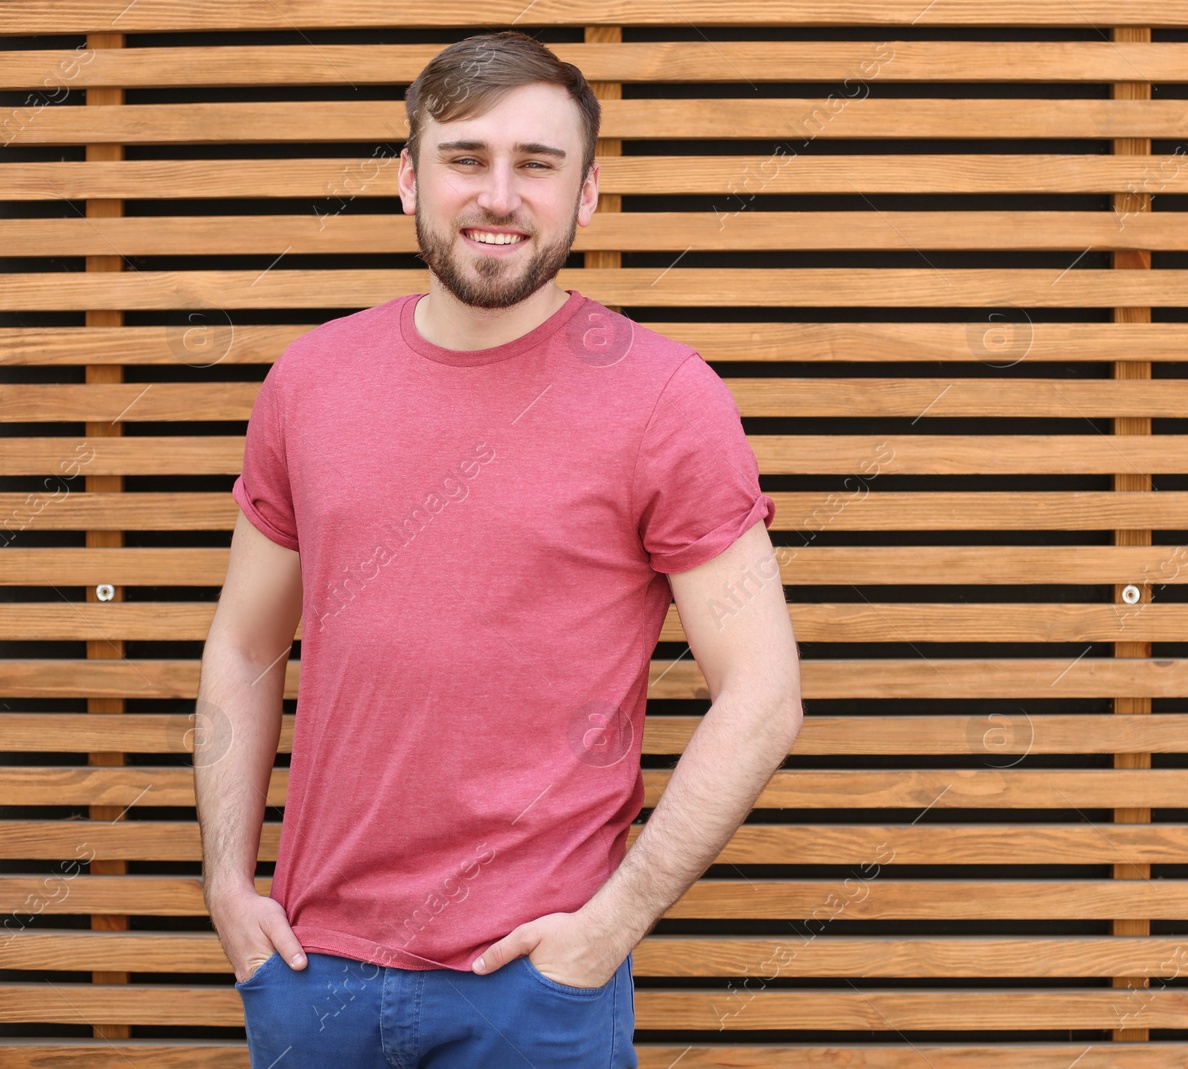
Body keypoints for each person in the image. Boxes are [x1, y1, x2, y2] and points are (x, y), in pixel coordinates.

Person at [194, 29, 804, 1068]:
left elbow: (763, 694)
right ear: (407, 178)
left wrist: (607, 930)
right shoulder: (309, 382)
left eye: (537, 164)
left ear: (588, 194)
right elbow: (243, 646)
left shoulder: (662, 397)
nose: (498, 195)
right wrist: (225, 887)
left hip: (532, 989)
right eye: (466, 158)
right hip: (309, 977)